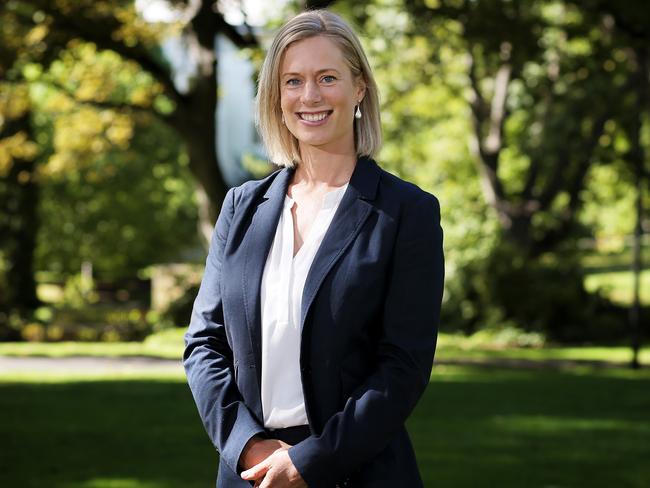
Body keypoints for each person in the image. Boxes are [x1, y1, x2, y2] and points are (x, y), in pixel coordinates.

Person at [183, 9, 444, 488]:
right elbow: (204, 344)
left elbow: (402, 367)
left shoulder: (406, 212)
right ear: (276, 96)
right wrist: (249, 445)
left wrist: (312, 461)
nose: (310, 96)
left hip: (358, 472)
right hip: (249, 471)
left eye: (327, 77)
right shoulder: (242, 206)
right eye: (293, 81)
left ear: (359, 87)